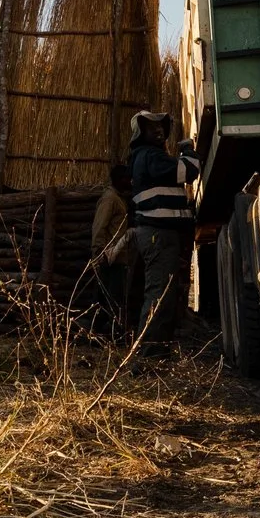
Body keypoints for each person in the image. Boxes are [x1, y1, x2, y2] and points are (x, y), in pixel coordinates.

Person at [125, 110, 201, 352]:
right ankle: (148, 356)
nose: (158, 130)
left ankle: (155, 353)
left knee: (162, 295)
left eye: (161, 126)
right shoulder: (150, 156)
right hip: (158, 234)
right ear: (141, 133)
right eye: (151, 127)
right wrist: (188, 150)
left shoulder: (147, 156)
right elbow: (188, 171)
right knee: (160, 296)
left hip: (160, 234)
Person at [88, 162, 137, 335]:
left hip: (117, 256)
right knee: (109, 298)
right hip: (109, 256)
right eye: (126, 179)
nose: (129, 182)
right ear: (119, 180)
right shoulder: (110, 199)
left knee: (108, 296)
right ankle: (105, 333)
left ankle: (100, 333)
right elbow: (99, 226)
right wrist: (99, 251)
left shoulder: (119, 198)